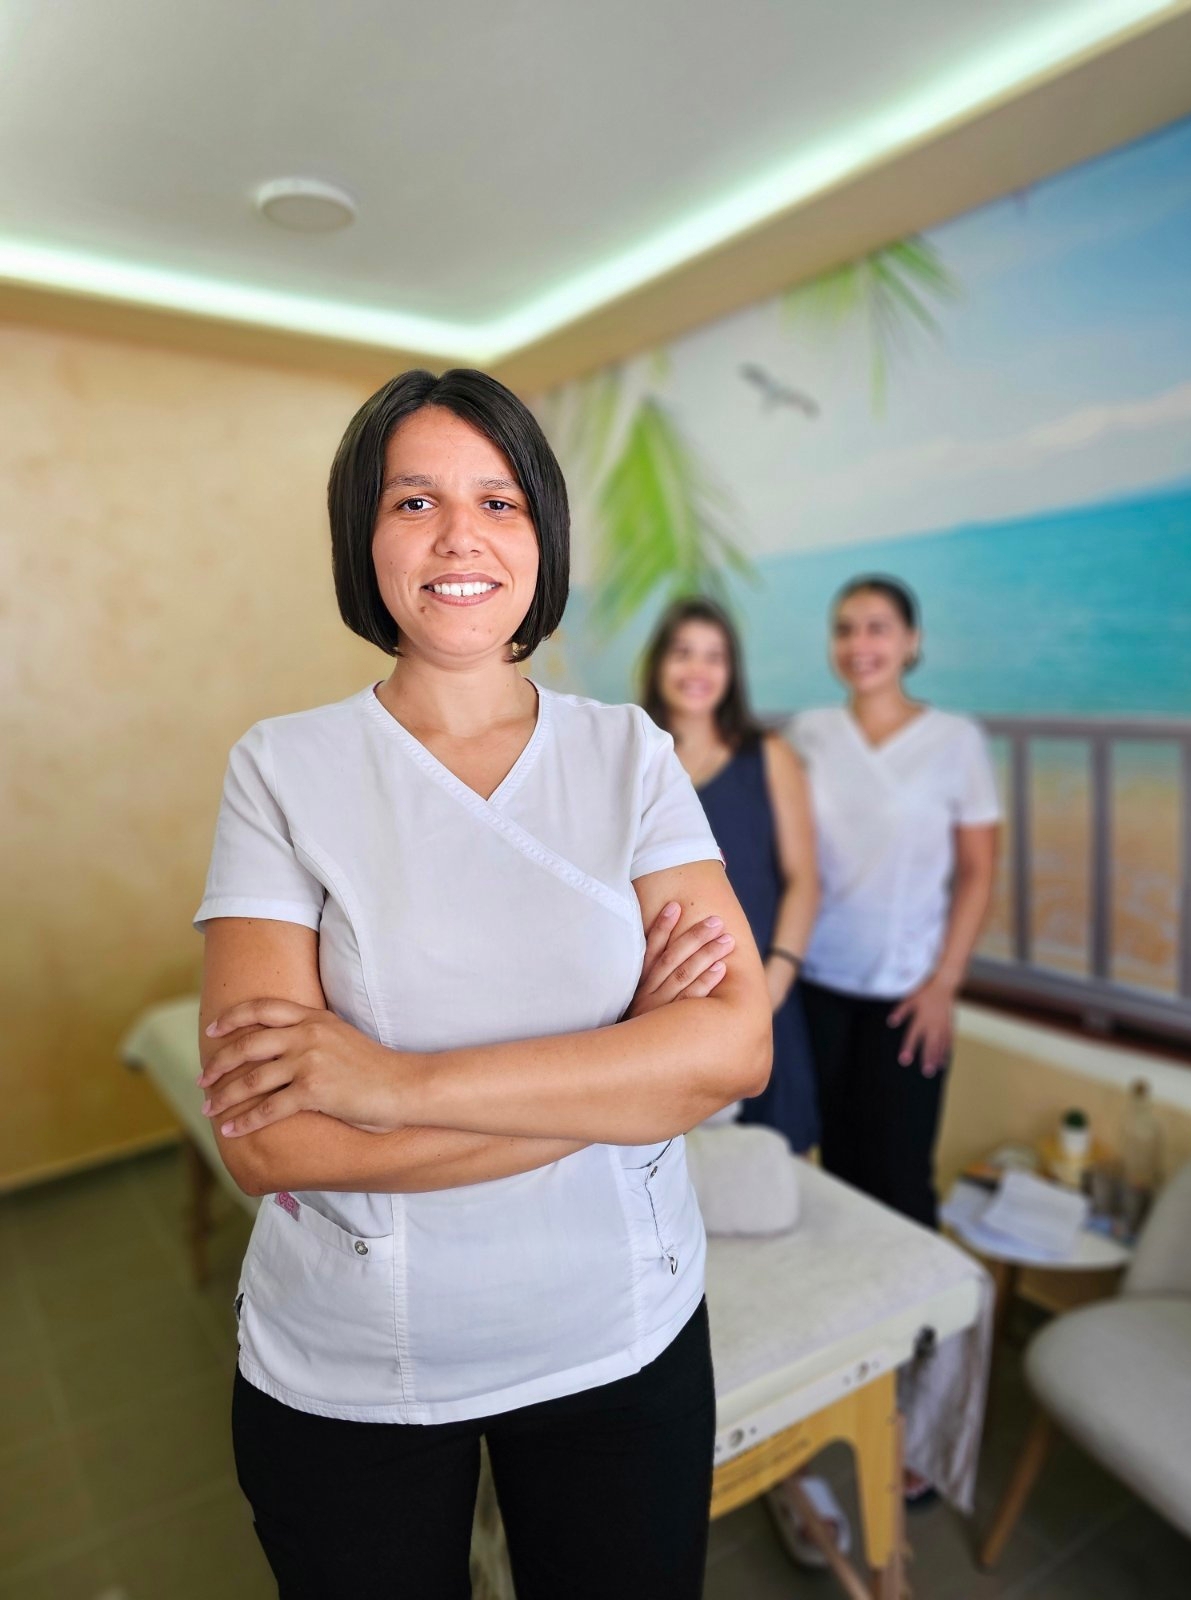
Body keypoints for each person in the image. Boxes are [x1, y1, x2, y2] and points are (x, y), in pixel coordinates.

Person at [194, 368, 772, 1600]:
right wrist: (628, 1066)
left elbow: (734, 1051)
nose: (460, 535)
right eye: (415, 501)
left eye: (498, 500)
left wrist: (392, 1087)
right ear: (365, 537)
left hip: (623, 1334)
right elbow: (268, 1140)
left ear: (541, 535)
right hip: (358, 1364)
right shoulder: (283, 768)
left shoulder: (629, 753)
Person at [786, 574, 1000, 1230]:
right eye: (845, 629)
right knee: (825, 1175)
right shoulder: (809, 733)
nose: (860, 645)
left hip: (907, 995)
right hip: (813, 987)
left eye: (877, 628)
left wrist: (945, 983)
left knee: (901, 1180)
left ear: (912, 641)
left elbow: (978, 871)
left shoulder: (955, 741)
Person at [641, 597, 820, 1153]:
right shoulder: (637, 756)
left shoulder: (768, 755)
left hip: (760, 995)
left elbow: (804, 879)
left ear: (731, 671)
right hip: (661, 1009)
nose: (697, 669)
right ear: (658, 663)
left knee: (772, 1165)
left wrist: (774, 982)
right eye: (683, 652)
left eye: (713, 656)